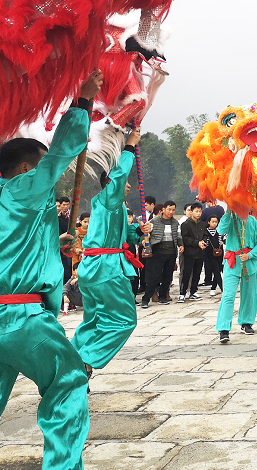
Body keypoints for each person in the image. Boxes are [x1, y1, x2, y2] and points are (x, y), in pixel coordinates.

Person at [0, 70, 102, 470]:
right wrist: (81, 101)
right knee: (67, 384)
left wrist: (51, 242)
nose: (50, 183)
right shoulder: (27, 188)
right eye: (41, 172)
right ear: (27, 170)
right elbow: (61, 155)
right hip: (19, 317)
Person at [73, 129, 148, 376]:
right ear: (109, 183)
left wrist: (139, 231)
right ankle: (84, 359)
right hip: (106, 267)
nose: (127, 185)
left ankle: (69, 364)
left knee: (93, 321)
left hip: (92, 267)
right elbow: (118, 178)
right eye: (122, 182)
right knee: (124, 321)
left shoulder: (109, 207)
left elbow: (126, 237)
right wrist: (130, 146)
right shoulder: (108, 199)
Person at [216, 211, 257, 343]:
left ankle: (246, 322)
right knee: (228, 295)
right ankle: (223, 329)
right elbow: (220, 230)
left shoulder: (255, 222)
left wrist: (250, 255)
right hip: (232, 263)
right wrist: (227, 212)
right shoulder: (230, 219)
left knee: (249, 295)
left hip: (249, 262)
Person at [141, 201, 180, 308]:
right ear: (163, 209)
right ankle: (145, 299)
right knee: (154, 277)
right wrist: (145, 240)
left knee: (167, 277)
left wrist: (181, 245)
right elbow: (144, 234)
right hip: (158, 252)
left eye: (173, 210)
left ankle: (163, 297)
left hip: (171, 252)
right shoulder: (154, 221)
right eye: (169, 209)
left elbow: (178, 236)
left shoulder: (175, 223)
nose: (171, 212)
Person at [177, 203, 207, 303]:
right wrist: (196, 243)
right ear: (192, 212)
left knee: (197, 273)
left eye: (200, 211)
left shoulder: (202, 224)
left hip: (200, 252)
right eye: (196, 211)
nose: (198, 213)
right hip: (189, 253)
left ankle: (193, 291)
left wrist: (203, 242)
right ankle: (182, 293)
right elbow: (185, 239)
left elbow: (206, 236)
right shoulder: (185, 224)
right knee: (187, 273)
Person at [203, 216, 224, 295]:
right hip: (209, 254)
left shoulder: (220, 230)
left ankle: (213, 288)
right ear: (209, 222)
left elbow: (224, 238)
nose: (215, 223)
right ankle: (222, 288)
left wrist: (223, 242)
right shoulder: (206, 231)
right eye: (213, 222)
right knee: (216, 270)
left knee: (218, 270)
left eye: (216, 222)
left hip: (220, 253)